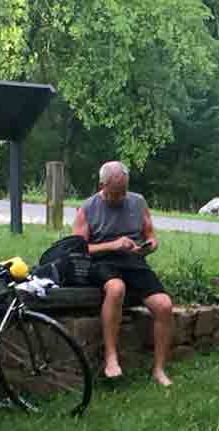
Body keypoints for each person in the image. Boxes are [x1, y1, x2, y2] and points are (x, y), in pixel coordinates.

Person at [72, 161, 173, 386]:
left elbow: (151, 235)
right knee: (116, 288)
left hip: (133, 261)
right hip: (102, 261)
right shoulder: (87, 208)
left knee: (164, 305)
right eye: (115, 192)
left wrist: (149, 246)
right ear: (102, 185)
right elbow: (79, 248)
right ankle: (111, 357)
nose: (120, 197)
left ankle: (159, 369)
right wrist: (113, 245)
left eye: (123, 191)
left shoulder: (138, 202)